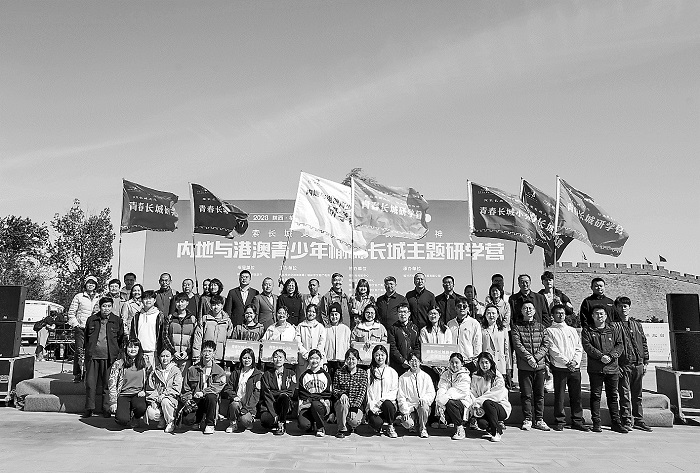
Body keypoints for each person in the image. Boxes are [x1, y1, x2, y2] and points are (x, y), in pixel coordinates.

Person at [582, 306, 626, 434]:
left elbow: (620, 345)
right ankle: (596, 422)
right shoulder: (587, 330)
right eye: (596, 314)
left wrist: (611, 356)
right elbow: (587, 346)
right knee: (595, 395)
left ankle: (616, 423)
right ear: (592, 316)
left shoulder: (613, 330)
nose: (599, 316)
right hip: (596, 369)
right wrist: (600, 356)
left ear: (606, 316)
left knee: (613, 396)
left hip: (612, 368)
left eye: (602, 314)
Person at [545, 304, 588, 432]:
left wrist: (575, 362)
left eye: (562, 313)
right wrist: (566, 362)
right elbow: (553, 350)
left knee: (576, 396)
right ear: (552, 315)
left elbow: (579, 347)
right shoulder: (549, 331)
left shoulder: (572, 330)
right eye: (557, 313)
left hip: (574, 368)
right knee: (560, 396)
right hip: (560, 367)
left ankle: (577, 420)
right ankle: (560, 421)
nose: (560, 315)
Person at [83, 296, 125, 418]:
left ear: (112, 307)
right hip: (93, 357)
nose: (106, 308)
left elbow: (121, 339)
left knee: (108, 384)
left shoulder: (117, 320)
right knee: (91, 384)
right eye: (104, 306)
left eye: (109, 306)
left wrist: (118, 355)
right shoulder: (91, 319)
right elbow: (86, 338)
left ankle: (106, 408)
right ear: (99, 307)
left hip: (110, 357)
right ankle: (89, 408)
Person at [615, 296, 652, 432]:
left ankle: (638, 420)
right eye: (620, 306)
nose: (623, 309)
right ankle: (626, 419)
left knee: (637, 395)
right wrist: (616, 365)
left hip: (638, 364)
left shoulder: (637, 325)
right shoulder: (614, 326)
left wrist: (646, 361)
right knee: (624, 394)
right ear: (616, 308)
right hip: (624, 364)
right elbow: (612, 347)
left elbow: (643, 343)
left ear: (629, 308)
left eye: (625, 306)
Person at [512, 301, 550, 431]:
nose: (528, 310)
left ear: (534, 311)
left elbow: (546, 344)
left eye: (530, 308)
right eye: (525, 308)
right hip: (524, 367)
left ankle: (539, 419)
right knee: (526, 395)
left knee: (539, 395)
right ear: (521, 311)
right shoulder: (517, 327)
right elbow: (518, 345)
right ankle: (527, 419)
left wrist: (536, 357)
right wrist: (529, 358)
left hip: (539, 366)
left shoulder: (541, 327)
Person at [181, 340, 227, 434]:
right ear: (201, 352)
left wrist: (203, 392)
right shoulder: (192, 369)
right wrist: (188, 399)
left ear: (214, 353)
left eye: (210, 351)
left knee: (211, 396)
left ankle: (210, 424)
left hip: (210, 401)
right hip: (196, 400)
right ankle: (198, 420)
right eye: (205, 351)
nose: (207, 354)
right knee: (187, 420)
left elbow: (217, 387)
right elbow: (186, 388)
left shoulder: (219, 371)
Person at [470, 352, 511, 442]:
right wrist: (475, 405)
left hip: (500, 407)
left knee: (487, 402)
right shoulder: (475, 376)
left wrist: (478, 402)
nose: (484, 365)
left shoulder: (497, 376)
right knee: (482, 423)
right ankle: (492, 428)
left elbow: (496, 394)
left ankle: (496, 431)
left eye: (486, 362)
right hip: (482, 407)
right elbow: (473, 392)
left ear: (491, 363)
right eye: (482, 362)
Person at [108, 338, 148, 427]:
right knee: (122, 420)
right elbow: (112, 383)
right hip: (123, 394)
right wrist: (113, 402)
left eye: (135, 347)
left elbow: (150, 379)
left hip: (138, 394)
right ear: (126, 348)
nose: (133, 349)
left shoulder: (145, 361)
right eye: (130, 347)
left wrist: (144, 390)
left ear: (139, 348)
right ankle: (126, 412)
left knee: (141, 408)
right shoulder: (118, 363)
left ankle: (136, 417)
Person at [222, 348, 263, 433]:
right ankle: (233, 423)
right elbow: (228, 388)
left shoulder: (258, 374)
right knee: (234, 404)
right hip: (238, 402)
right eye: (244, 358)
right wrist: (234, 396)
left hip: (249, 406)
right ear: (241, 359)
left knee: (245, 420)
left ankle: (248, 421)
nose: (246, 360)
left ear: (253, 359)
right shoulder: (236, 373)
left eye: (249, 358)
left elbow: (256, 395)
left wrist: (246, 408)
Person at [67, 275, 100, 383]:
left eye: (93, 283)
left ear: (96, 285)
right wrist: (76, 325)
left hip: (93, 329)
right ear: (85, 284)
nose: (91, 285)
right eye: (89, 283)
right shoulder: (79, 296)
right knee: (79, 351)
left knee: (90, 352)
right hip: (81, 328)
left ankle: (87, 374)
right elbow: (71, 313)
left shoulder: (99, 297)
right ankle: (77, 374)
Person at [436, 352, 473, 440]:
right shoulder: (445, 374)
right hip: (447, 402)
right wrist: (440, 399)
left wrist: (445, 398)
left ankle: (460, 428)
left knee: (450, 402)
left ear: (462, 364)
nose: (454, 365)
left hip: (462, 404)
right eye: (452, 362)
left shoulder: (465, 376)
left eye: (457, 363)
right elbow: (442, 387)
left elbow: (459, 391)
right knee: (441, 401)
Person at [259, 349, 297, 435]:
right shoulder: (266, 374)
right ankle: (275, 419)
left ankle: (281, 423)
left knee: (284, 396)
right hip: (270, 402)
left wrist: (275, 392)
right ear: (272, 359)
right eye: (275, 357)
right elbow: (266, 393)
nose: (278, 359)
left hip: (284, 403)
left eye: (280, 357)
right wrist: (273, 413)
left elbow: (290, 392)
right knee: (266, 420)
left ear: (285, 359)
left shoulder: (291, 373)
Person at [397, 353, 435, 438]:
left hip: (422, 407)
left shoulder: (426, 376)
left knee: (423, 406)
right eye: (411, 361)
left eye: (416, 361)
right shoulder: (403, 378)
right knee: (407, 423)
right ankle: (414, 423)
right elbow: (401, 396)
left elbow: (431, 393)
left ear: (420, 362)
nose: (414, 363)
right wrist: (405, 411)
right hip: (410, 407)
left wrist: (424, 399)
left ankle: (423, 428)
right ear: (408, 362)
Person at [332, 347, 368, 438]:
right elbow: (335, 389)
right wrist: (342, 394)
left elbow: (362, 393)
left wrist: (354, 408)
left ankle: (350, 424)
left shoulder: (363, 373)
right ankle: (341, 429)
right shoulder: (339, 372)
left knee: (354, 421)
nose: (350, 361)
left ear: (358, 360)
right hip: (342, 403)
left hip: (356, 405)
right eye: (348, 359)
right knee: (343, 403)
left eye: (353, 359)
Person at [145, 348, 182, 433]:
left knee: (165, 401)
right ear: (159, 357)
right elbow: (150, 388)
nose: (165, 358)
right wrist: (153, 400)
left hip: (171, 400)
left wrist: (165, 394)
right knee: (151, 412)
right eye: (162, 356)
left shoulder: (176, 371)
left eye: (167, 356)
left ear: (171, 357)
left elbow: (177, 387)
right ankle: (162, 418)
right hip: (158, 399)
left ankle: (170, 422)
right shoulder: (154, 372)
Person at [365, 344, 399, 438]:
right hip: (374, 406)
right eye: (377, 355)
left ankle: (390, 426)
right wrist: (374, 406)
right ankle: (375, 424)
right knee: (377, 423)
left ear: (386, 356)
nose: (380, 358)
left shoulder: (392, 372)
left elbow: (394, 390)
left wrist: (382, 400)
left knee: (387, 404)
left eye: (382, 355)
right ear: (373, 357)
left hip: (387, 405)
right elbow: (368, 392)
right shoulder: (369, 372)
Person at [297, 349, 332, 437]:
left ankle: (320, 427)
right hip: (307, 404)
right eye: (312, 358)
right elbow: (303, 393)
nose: (314, 361)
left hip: (321, 405)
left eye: (317, 358)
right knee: (303, 425)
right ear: (308, 359)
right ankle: (311, 424)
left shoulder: (326, 375)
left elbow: (327, 393)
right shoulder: (304, 375)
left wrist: (315, 400)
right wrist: (310, 401)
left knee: (316, 404)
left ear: (320, 359)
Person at [161, 292, 198, 374]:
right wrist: (173, 351)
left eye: (182, 301)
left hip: (186, 357)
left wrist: (187, 352)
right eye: (177, 302)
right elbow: (165, 336)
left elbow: (195, 338)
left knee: (184, 379)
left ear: (187, 303)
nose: (180, 304)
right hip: (172, 357)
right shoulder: (170, 318)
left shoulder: (192, 319)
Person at [192, 295, 233, 364]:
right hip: (206, 357)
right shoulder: (205, 319)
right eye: (213, 305)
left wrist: (228, 357)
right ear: (210, 306)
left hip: (221, 358)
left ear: (222, 306)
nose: (216, 307)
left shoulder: (227, 321)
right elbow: (198, 338)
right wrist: (196, 356)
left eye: (218, 305)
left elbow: (229, 339)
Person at [130, 290, 164, 369]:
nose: (148, 300)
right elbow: (132, 334)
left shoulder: (159, 316)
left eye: (150, 298)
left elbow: (163, 335)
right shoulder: (137, 316)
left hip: (153, 353)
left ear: (154, 300)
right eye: (145, 298)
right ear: (142, 300)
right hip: (139, 352)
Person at [447, 296, 482, 374]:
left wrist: (476, 359)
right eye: (459, 306)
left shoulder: (474, 323)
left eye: (464, 306)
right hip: (454, 362)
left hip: (468, 361)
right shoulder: (450, 324)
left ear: (468, 308)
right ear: (455, 308)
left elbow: (477, 343)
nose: (462, 308)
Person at [388, 302, 421, 375]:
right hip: (397, 365)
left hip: (412, 364)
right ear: (397, 314)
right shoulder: (393, 328)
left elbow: (417, 345)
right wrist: (402, 360)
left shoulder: (414, 328)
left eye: (405, 312)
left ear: (409, 313)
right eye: (400, 312)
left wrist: (413, 359)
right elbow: (392, 347)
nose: (402, 314)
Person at [296, 304, 326, 376]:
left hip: (317, 359)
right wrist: (306, 354)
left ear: (316, 313)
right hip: (303, 360)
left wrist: (315, 356)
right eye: (309, 311)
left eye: (313, 312)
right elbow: (297, 342)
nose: (311, 313)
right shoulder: (300, 326)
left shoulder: (320, 327)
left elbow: (322, 342)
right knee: (303, 379)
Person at [324, 302, 351, 380]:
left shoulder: (345, 329)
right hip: (329, 361)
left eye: (336, 314)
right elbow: (322, 346)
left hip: (342, 362)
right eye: (332, 315)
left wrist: (347, 361)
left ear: (340, 315)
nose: (334, 317)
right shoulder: (325, 329)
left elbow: (348, 346)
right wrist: (324, 362)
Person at [480, 304, 509, 376]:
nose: (491, 315)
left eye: (493, 313)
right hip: (486, 363)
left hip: (500, 362)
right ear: (485, 315)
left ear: (498, 315)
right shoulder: (481, 329)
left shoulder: (503, 329)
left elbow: (506, 348)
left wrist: (508, 365)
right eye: (488, 313)